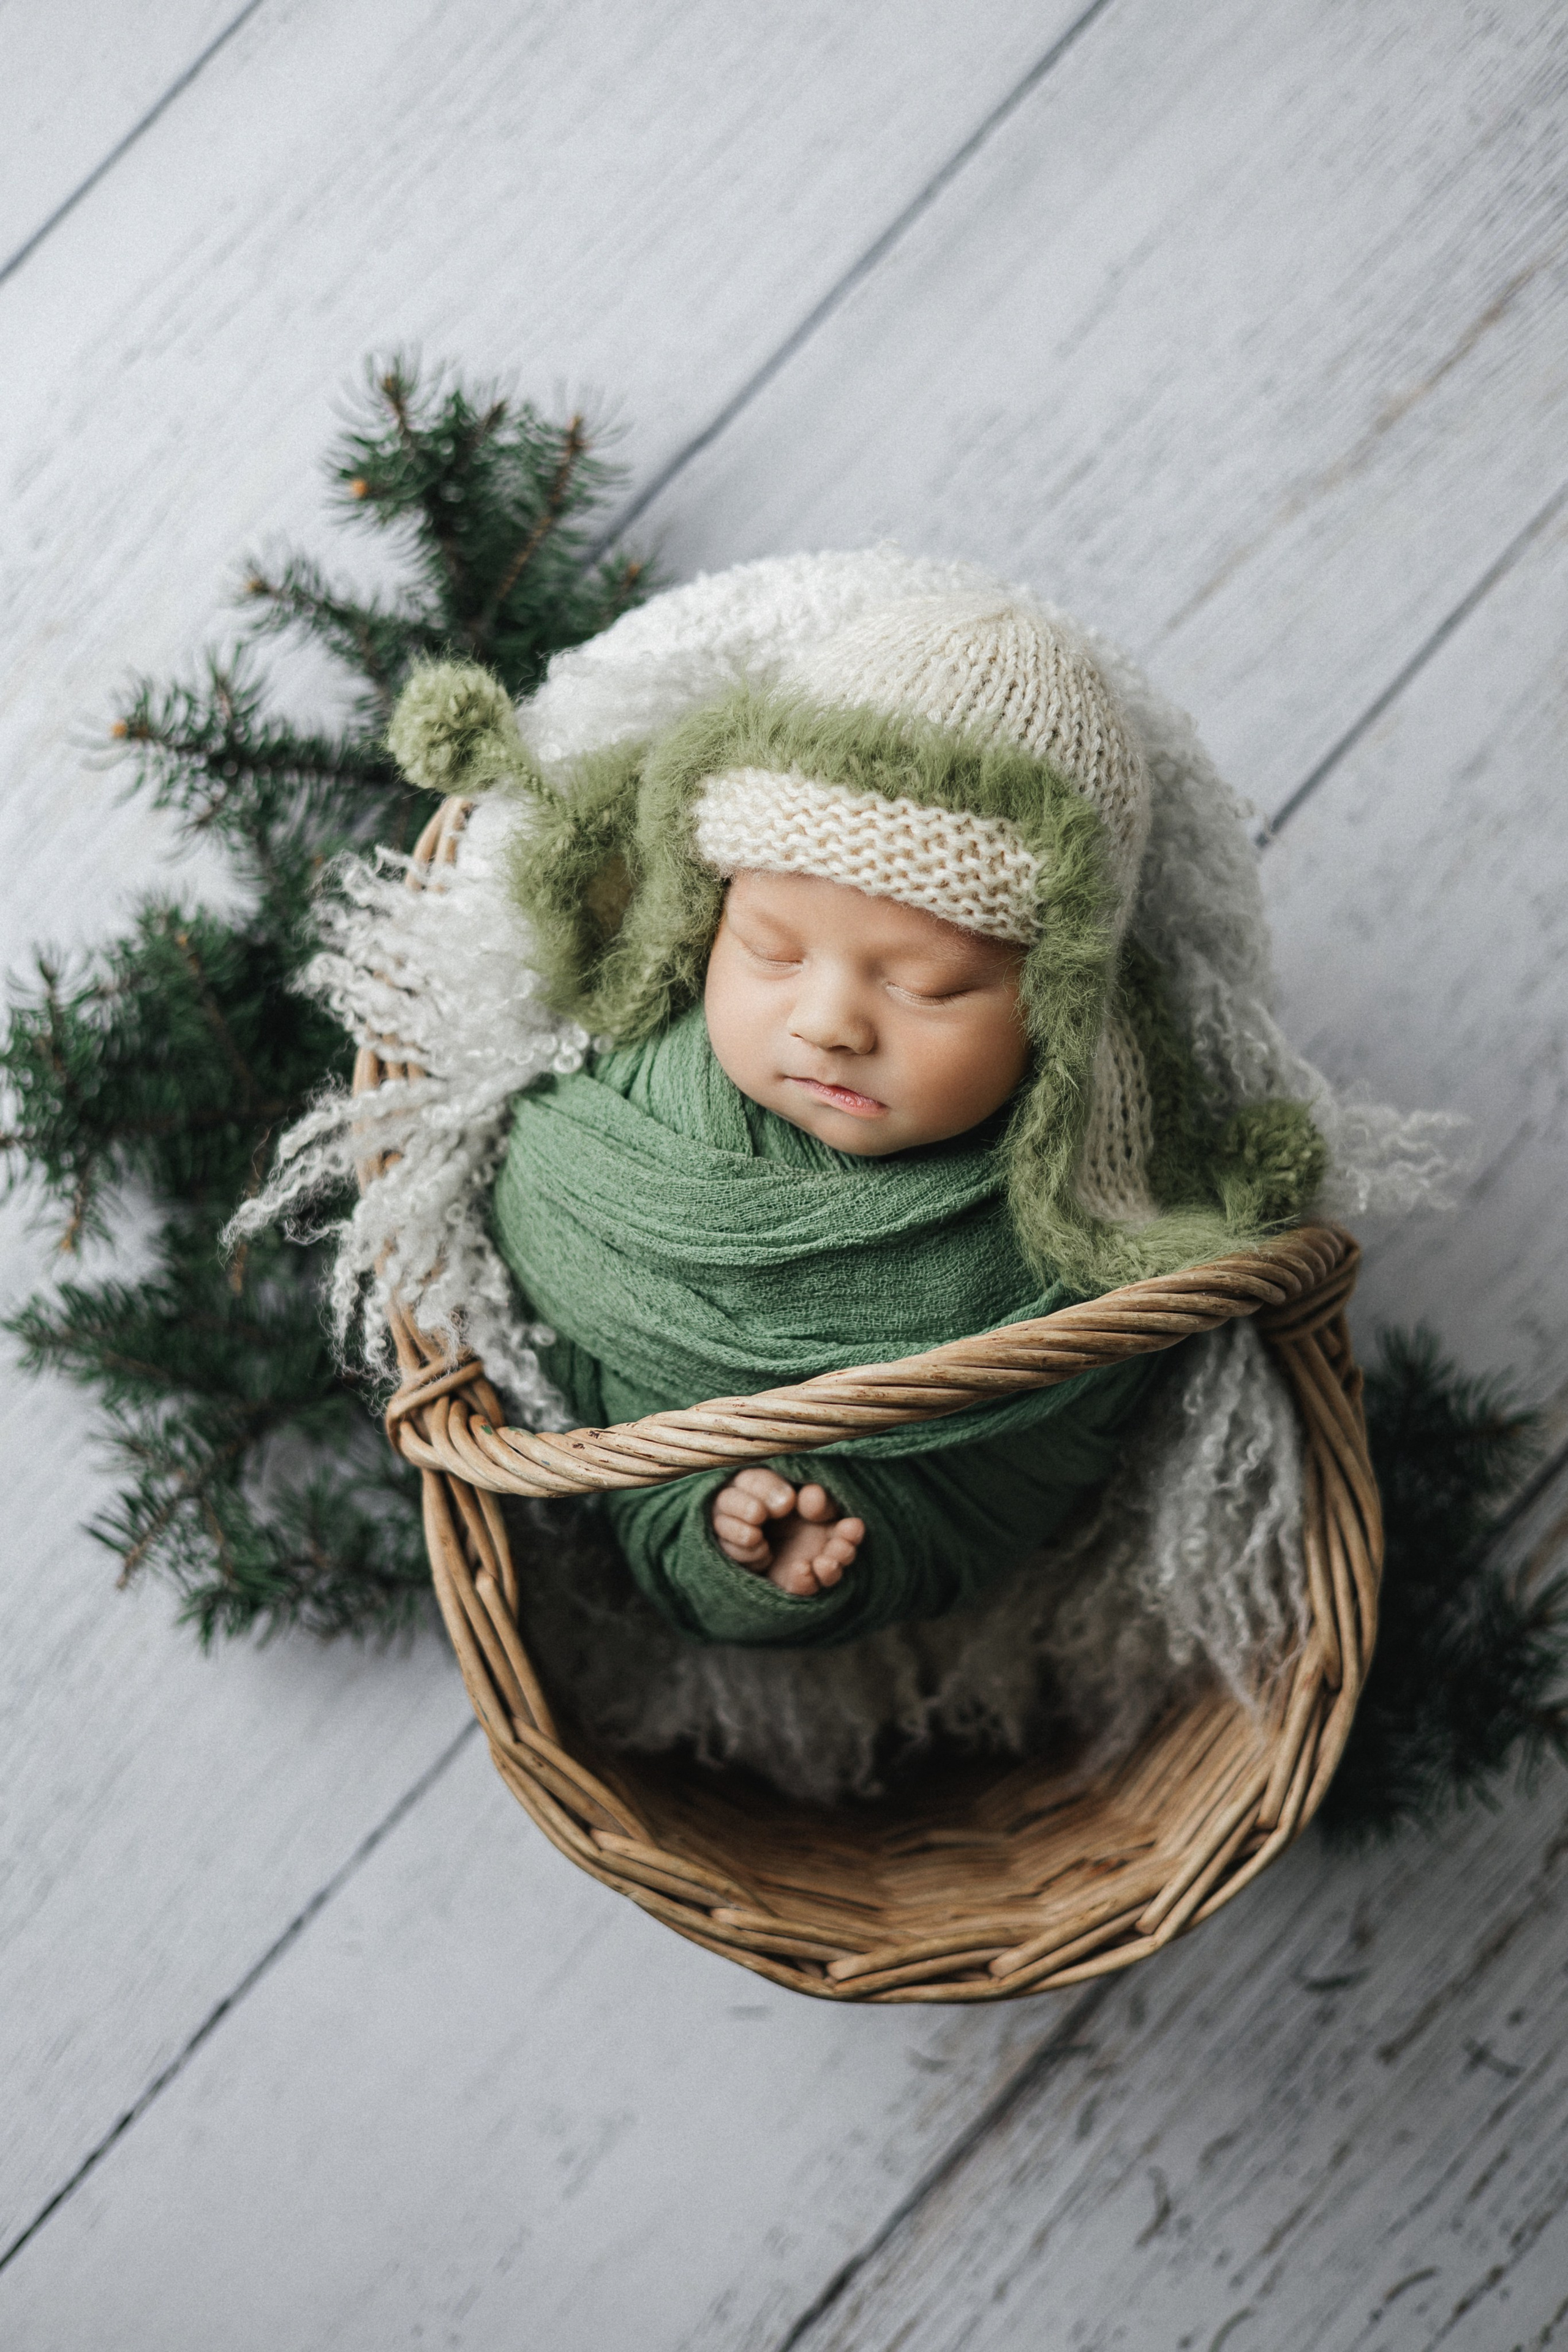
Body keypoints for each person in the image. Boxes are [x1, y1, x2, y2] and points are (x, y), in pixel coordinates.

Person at [457, 591, 1325, 1649]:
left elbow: (1012, 1492)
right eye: (773, 950)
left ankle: (755, 1562)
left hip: (885, 1511)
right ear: (701, 913)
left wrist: (840, 1527)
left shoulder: (1072, 1258)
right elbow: (545, 1286)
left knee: (807, 1541)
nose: (828, 1024)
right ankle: (717, 1543)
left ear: (1056, 1013)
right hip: (632, 1423)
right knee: (669, 1496)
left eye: (926, 987)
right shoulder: (634, 1105)